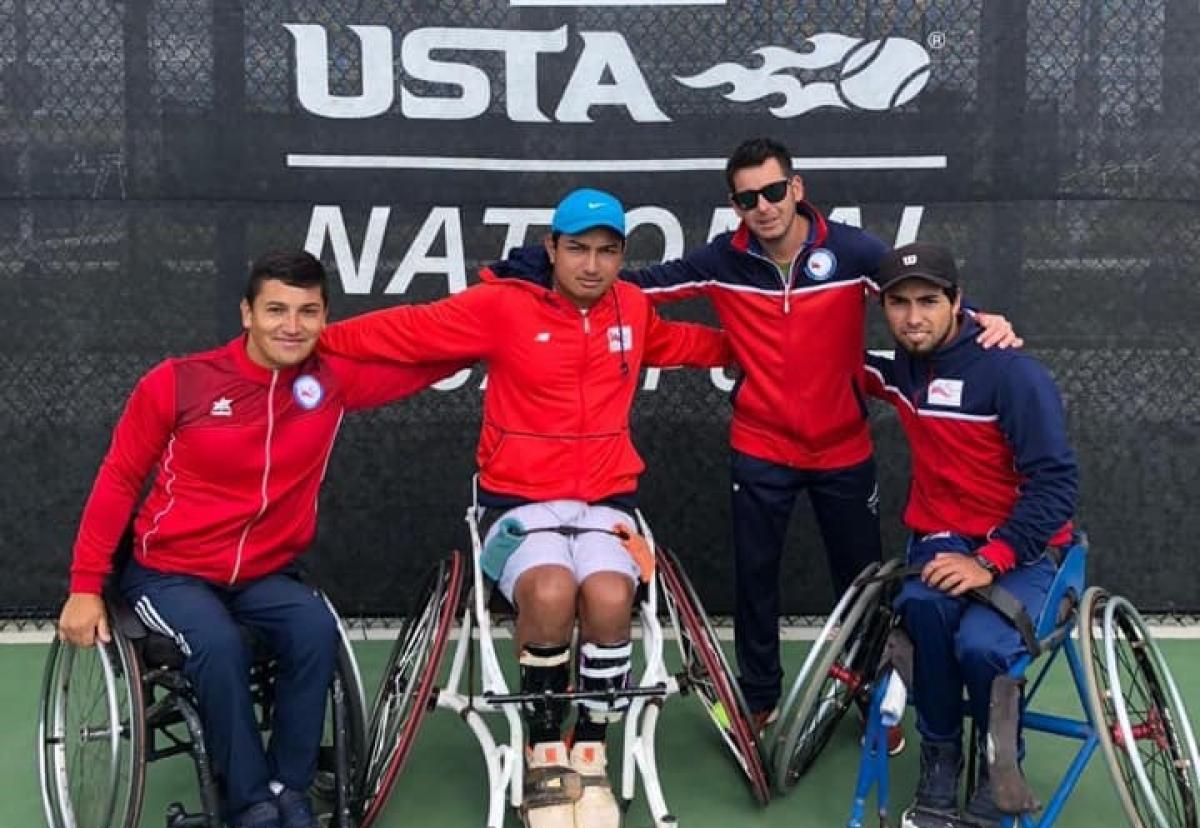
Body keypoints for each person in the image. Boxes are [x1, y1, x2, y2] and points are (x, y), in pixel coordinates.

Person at [318, 188, 731, 828]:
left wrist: (761, 348)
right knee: (548, 590)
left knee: (612, 597)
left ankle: (588, 746)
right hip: (517, 504)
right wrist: (315, 338)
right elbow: (409, 329)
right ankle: (543, 745)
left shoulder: (633, 308)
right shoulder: (502, 307)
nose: (591, 265)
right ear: (552, 249)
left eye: (606, 252)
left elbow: (683, 343)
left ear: (622, 255)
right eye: (578, 250)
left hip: (606, 503)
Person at [622, 136, 1020, 735]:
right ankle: (759, 701)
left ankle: (872, 701)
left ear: (797, 189)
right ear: (736, 206)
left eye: (774, 191)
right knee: (755, 581)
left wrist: (982, 318)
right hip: (761, 449)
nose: (764, 206)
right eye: (748, 197)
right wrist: (544, 274)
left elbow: (922, 293)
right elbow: (638, 287)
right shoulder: (721, 261)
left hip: (843, 449)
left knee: (862, 587)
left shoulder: (853, 251)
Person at [56, 250, 461, 828]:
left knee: (314, 630)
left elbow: (429, 365)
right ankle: (250, 805)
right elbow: (119, 479)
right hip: (171, 570)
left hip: (266, 574)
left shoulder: (331, 380)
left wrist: (505, 327)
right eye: (275, 309)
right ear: (246, 312)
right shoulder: (179, 382)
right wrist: (84, 586)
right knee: (217, 646)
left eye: (307, 311)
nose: (291, 326)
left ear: (325, 318)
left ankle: (288, 790)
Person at [860, 243, 1078, 828]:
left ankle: (996, 763)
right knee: (926, 615)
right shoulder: (901, 369)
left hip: (1028, 550)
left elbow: (1057, 485)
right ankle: (940, 757)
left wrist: (992, 559)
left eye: (929, 301)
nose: (913, 317)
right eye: (899, 303)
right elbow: (827, 360)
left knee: (981, 647)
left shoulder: (1013, 374)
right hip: (940, 537)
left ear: (957, 302)